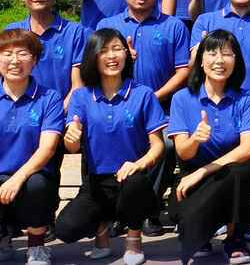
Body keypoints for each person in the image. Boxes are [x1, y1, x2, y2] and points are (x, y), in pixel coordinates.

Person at [54, 28, 166, 264]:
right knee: (65, 228)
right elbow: (72, 146)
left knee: (135, 183)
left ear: (127, 54)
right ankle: (102, 226)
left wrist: (138, 164)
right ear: (92, 57)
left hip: (133, 179)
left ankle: (133, 240)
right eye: (103, 51)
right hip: (96, 183)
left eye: (117, 49)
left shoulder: (143, 94)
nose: (112, 56)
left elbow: (158, 146)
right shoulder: (81, 96)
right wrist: (71, 138)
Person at [0, 29, 66, 264]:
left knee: (37, 185)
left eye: (23, 54)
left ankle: (36, 245)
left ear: (34, 60)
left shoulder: (50, 98)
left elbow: (47, 149)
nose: (15, 60)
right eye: (7, 54)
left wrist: (17, 179)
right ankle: (3, 233)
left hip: (31, 179)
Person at [168, 29, 250, 265]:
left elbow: (248, 149)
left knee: (239, 171)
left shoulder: (247, 99)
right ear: (201, 60)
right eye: (212, 53)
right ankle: (203, 231)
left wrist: (204, 170)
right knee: (187, 221)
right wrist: (195, 139)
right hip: (193, 181)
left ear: (236, 61)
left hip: (230, 178)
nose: (219, 60)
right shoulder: (182, 99)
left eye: (227, 54)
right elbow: (183, 152)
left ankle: (234, 238)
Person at [96, 0, 192, 104]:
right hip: (116, 106)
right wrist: (118, 57)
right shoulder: (107, 26)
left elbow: (183, 71)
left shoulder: (174, 26)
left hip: (163, 109)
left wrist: (153, 98)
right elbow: (94, 68)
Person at [3, 0, 85, 100]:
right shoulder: (13, 32)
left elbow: (78, 86)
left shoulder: (75, 32)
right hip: (21, 109)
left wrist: (57, 110)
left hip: (63, 109)